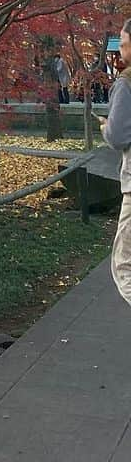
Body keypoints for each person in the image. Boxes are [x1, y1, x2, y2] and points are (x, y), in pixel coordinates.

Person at [102, 19, 131, 305]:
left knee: (124, 265)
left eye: (124, 44)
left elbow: (117, 136)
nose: (121, 51)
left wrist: (105, 128)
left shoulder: (126, 83)